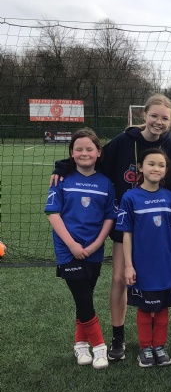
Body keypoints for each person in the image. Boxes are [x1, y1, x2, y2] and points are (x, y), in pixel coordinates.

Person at [51, 94, 171, 362]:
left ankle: (155, 342)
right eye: (154, 116)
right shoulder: (123, 142)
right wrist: (63, 166)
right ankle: (118, 337)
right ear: (143, 115)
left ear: (170, 121)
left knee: (159, 280)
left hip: (156, 230)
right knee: (120, 279)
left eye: (164, 118)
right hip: (126, 225)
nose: (158, 122)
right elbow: (92, 159)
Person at [45, 128, 117, 369]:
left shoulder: (106, 183)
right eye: (79, 149)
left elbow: (110, 217)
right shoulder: (61, 179)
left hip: (93, 250)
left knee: (83, 299)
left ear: (98, 152)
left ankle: (80, 345)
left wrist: (96, 244)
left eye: (89, 149)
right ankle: (99, 348)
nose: (84, 153)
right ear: (71, 153)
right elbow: (53, 213)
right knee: (84, 299)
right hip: (68, 250)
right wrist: (72, 244)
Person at [116, 149, 171, 368]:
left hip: (166, 263)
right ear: (140, 167)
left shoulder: (170, 197)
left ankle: (159, 346)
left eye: (161, 165)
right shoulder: (130, 197)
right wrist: (128, 265)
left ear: (166, 170)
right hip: (142, 265)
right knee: (144, 308)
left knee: (162, 308)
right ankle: (145, 348)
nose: (156, 169)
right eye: (151, 164)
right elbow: (126, 234)